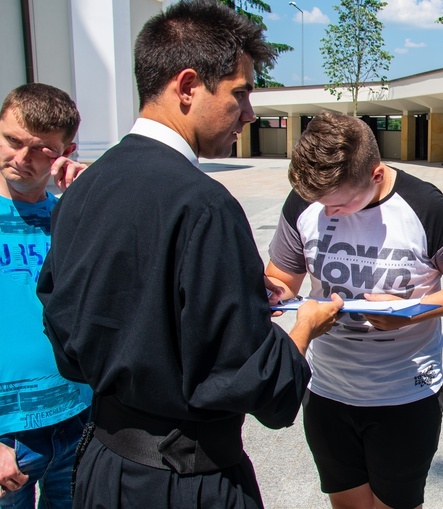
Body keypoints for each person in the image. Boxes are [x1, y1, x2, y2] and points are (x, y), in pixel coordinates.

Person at [35, 1, 342, 508]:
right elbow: (250, 380)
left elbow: (69, 326)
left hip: (102, 470)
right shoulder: (205, 204)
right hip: (184, 481)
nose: (249, 113)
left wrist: (239, 292)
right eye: (240, 93)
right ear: (187, 86)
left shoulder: (85, 189)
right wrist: (304, 325)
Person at [265, 111, 443, 509]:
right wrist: (273, 293)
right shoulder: (307, 199)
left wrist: (413, 309)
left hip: (404, 398)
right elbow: (283, 278)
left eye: (338, 204)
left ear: (375, 175)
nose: (327, 214)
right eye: (320, 204)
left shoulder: (425, 207)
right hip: (327, 393)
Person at [0, 83, 89, 508]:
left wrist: (96, 198)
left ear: (66, 150)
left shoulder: (70, 216)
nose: (21, 158)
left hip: (77, 420)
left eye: (41, 149)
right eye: (12, 141)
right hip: (6, 439)